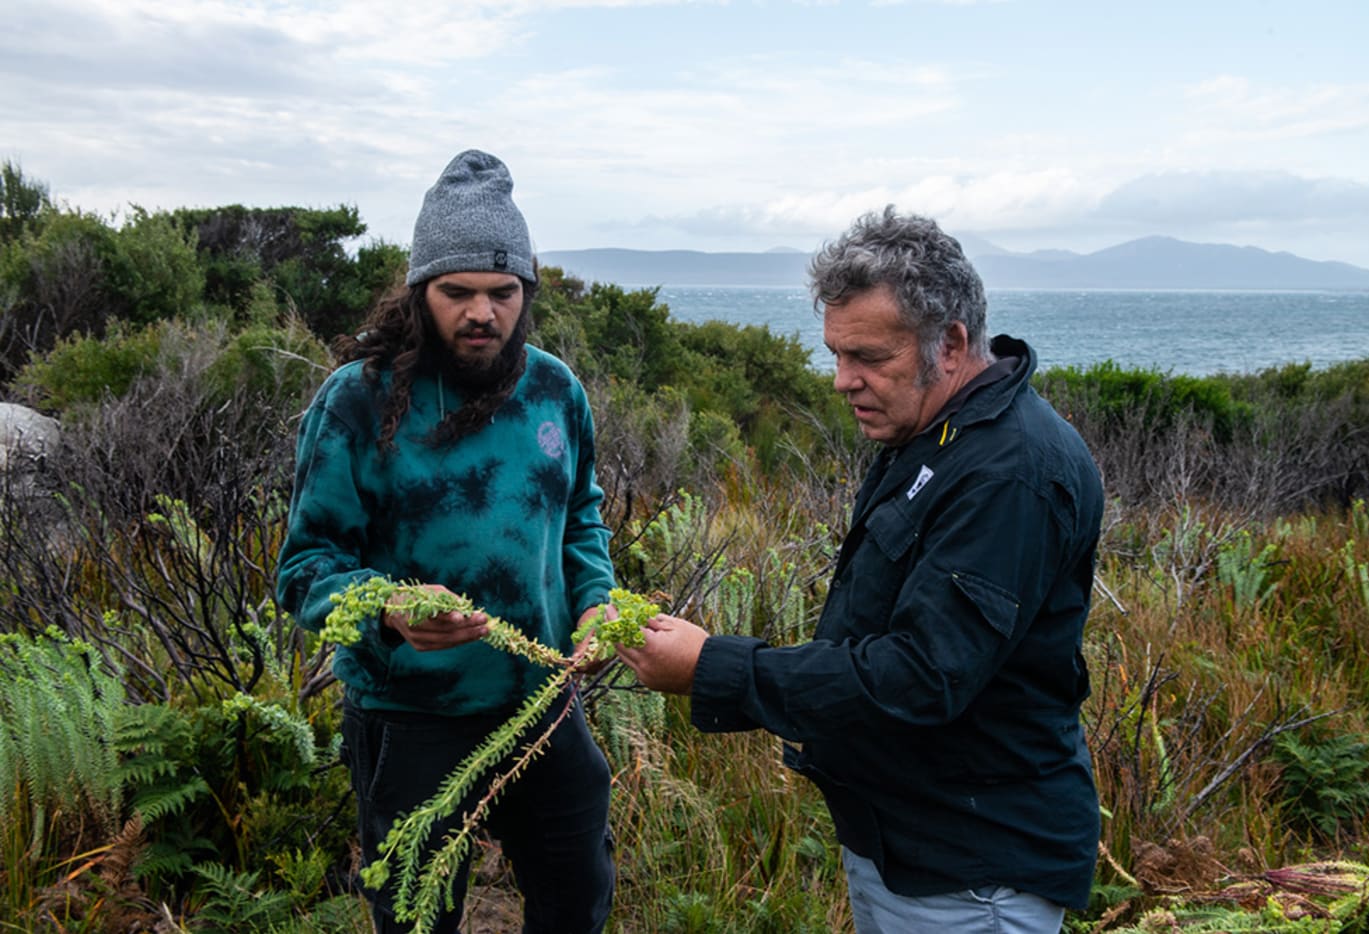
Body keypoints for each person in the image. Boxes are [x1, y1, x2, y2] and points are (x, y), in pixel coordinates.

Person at [618, 206, 1104, 932]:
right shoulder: (934, 431)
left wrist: (711, 667)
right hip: (909, 846)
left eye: (871, 358)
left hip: (972, 874)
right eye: (836, 355)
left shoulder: (1012, 473)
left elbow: (919, 675)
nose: (844, 381)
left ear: (952, 343)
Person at [277, 149, 616, 934]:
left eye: (503, 293)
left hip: (541, 704)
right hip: (410, 716)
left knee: (577, 895)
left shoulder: (555, 390)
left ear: (526, 291)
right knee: (415, 916)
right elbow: (304, 568)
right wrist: (389, 609)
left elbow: (581, 520)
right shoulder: (358, 401)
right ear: (419, 291)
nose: (481, 313)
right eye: (455, 292)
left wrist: (595, 604)